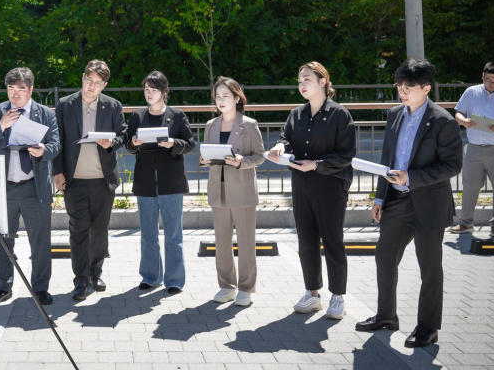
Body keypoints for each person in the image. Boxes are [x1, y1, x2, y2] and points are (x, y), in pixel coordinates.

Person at [355, 59, 463, 349]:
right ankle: (386, 316)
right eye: (399, 87)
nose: (402, 92)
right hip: (396, 201)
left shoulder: (443, 120)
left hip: (428, 201)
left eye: (409, 88)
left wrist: (412, 177)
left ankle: (428, 328)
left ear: (426, 88)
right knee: (384, 257)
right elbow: (387, 159)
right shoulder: (394, 114)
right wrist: (379, 197)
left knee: (429, 268)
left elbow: (453, 165)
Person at [267, 62, 356, 319]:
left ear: (323, 82)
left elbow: (346, 155)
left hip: (331, 185)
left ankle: (337, 296)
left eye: (307, 79)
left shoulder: (340, 114)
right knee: (306, 241)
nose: (302, 84)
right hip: (301, 185)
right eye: (299, 81)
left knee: (332, 241)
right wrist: (280, 146)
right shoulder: (296, 114)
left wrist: (316, 164)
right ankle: (312, 294)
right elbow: (286, 137)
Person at [0, 67, 60, 306]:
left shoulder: (45, 113)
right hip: (5, 188)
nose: (15, 94)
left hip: (35, 187)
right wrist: (0, 127)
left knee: (41, 240)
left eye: (21, 89)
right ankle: (3, 287)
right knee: (2, 240)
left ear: (31, 89)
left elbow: (56, 144)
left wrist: (44, 150)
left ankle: (41, 288)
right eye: (11, 88)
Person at [52, 59, 128, 301]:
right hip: (74, 178)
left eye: (98, 83)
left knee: (100, 229)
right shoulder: (65, 105)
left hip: (102, 178)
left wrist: (112, 143)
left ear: (104, 85)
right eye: (89, 80)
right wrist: (57, 172)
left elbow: (123, 134)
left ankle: (96, 272)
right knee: (78, 229)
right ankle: (80, 280)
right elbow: (57, 141)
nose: (92, 86)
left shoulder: (113, 106)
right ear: (82, 77)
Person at [126, 71, 196, 294]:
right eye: (146, 89)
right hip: (145, 181)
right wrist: (134, 143)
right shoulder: (137, 116)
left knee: (173, 235)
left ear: (164, 92)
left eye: (153, 90)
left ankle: (174, 280)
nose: (148, 93)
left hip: (171, 181)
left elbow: (190, 143)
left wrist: (173, 143)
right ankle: (150, 276)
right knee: (148, 234)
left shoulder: (177, 115)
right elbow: (128, 144)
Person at [200, 76, 265, 307]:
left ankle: (246, 289)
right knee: (222, 241)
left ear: (237, 98)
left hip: (243, 189)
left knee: (246, 241)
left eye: (226, 95)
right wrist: (205, 160)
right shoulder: (211, 125)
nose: (221, 100)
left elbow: (259, 156)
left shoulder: (249, 124)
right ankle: (226, 286)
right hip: (219, 189)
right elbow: (209, 154)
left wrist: (241, 161)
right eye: (217, 96)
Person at [450, 61, 494, 237]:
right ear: (483, 76)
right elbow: (458, 112)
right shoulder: (472, 92)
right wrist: (464, 122)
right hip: (474, 147)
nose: (492, 84)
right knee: (469, 185)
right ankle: (465, 223)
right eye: (489, 80)